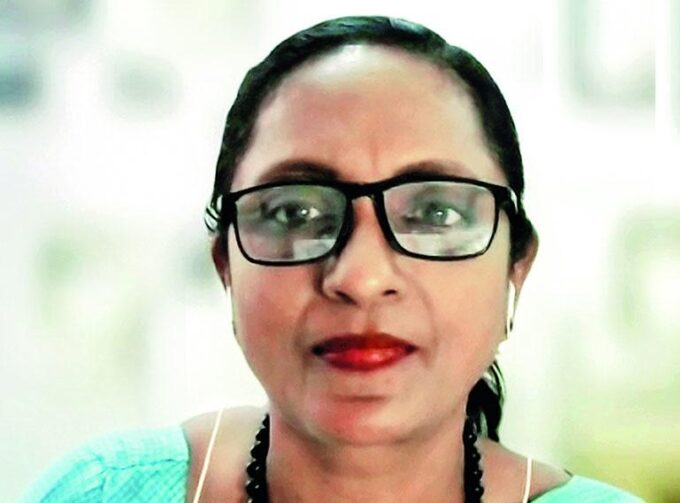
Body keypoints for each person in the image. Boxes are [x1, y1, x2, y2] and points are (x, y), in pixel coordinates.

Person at [24, 16, 644, 502]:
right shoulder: (103, 491)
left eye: (435, 213)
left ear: (516, 269)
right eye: (295, 213)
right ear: (226, 268)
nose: (361, 278)